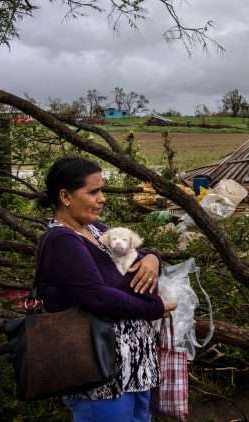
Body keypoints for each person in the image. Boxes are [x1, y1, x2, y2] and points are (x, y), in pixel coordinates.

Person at [36, 156, 176, 422]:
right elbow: (98, 298)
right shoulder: (61, 241)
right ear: (65, 196)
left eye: (102, 190)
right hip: (99, 374)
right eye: (93, 191)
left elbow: (134, 256)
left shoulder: (95, 229)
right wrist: (155, 308)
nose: (102, 198)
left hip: (133, 367)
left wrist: (152, 257)